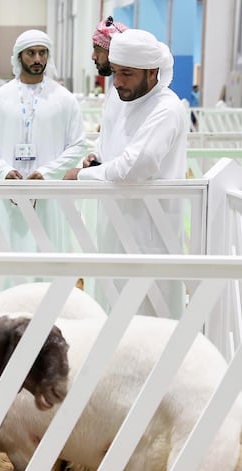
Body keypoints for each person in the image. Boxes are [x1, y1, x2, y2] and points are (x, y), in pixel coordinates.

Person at [63, 29, 188, 318]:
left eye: (126, 74)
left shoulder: (165, 108)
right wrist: (95, 159)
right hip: (115, 230)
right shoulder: (126, 100)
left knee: (148, 325)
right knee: (110, 317)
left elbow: (136, 166)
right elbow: (111, 147)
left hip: (149, 236)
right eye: (116, 72)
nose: (117, 81)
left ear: (152, 72)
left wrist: (81, 176)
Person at [0, 29, 86, 252]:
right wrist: (4, 170)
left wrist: (47, 172)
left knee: (48, 255)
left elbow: (78, 144)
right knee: (6, 257)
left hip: (50, 198)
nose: (37, 59)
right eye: (31, 53)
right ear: (19, 56)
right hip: (6, 196)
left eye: (42, 53)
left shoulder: (64, 99)